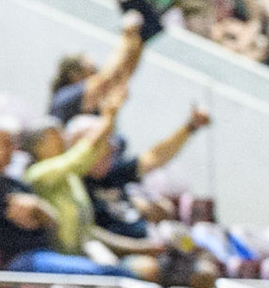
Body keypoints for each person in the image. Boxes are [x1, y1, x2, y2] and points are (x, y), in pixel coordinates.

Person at [0, 116, 131, 275]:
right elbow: (26, 217)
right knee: (108, 274)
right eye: (5, 144)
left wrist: (38, 209)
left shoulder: (13, 183)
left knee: (116, 272)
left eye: (13, 143)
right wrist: (38, 211)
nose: (12, 149)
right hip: (17, 260)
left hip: (43, 253)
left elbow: (50, 219)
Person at [84, 102, 210, 238]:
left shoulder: (113, 172)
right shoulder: (79, 183)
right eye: (102, 148)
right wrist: (146, 249)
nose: (111, 150)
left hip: (149, 237)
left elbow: (154, 157)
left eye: (110, 147)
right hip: (124, 251)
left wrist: (191, 126)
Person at [48, 10, 143, 124]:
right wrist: (127, 33)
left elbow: (123, 75)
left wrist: (140, 38)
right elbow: (106, 79)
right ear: (74, 74)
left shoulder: (91, 102)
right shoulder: (66, 97)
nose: (96, 72)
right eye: (92, 71)